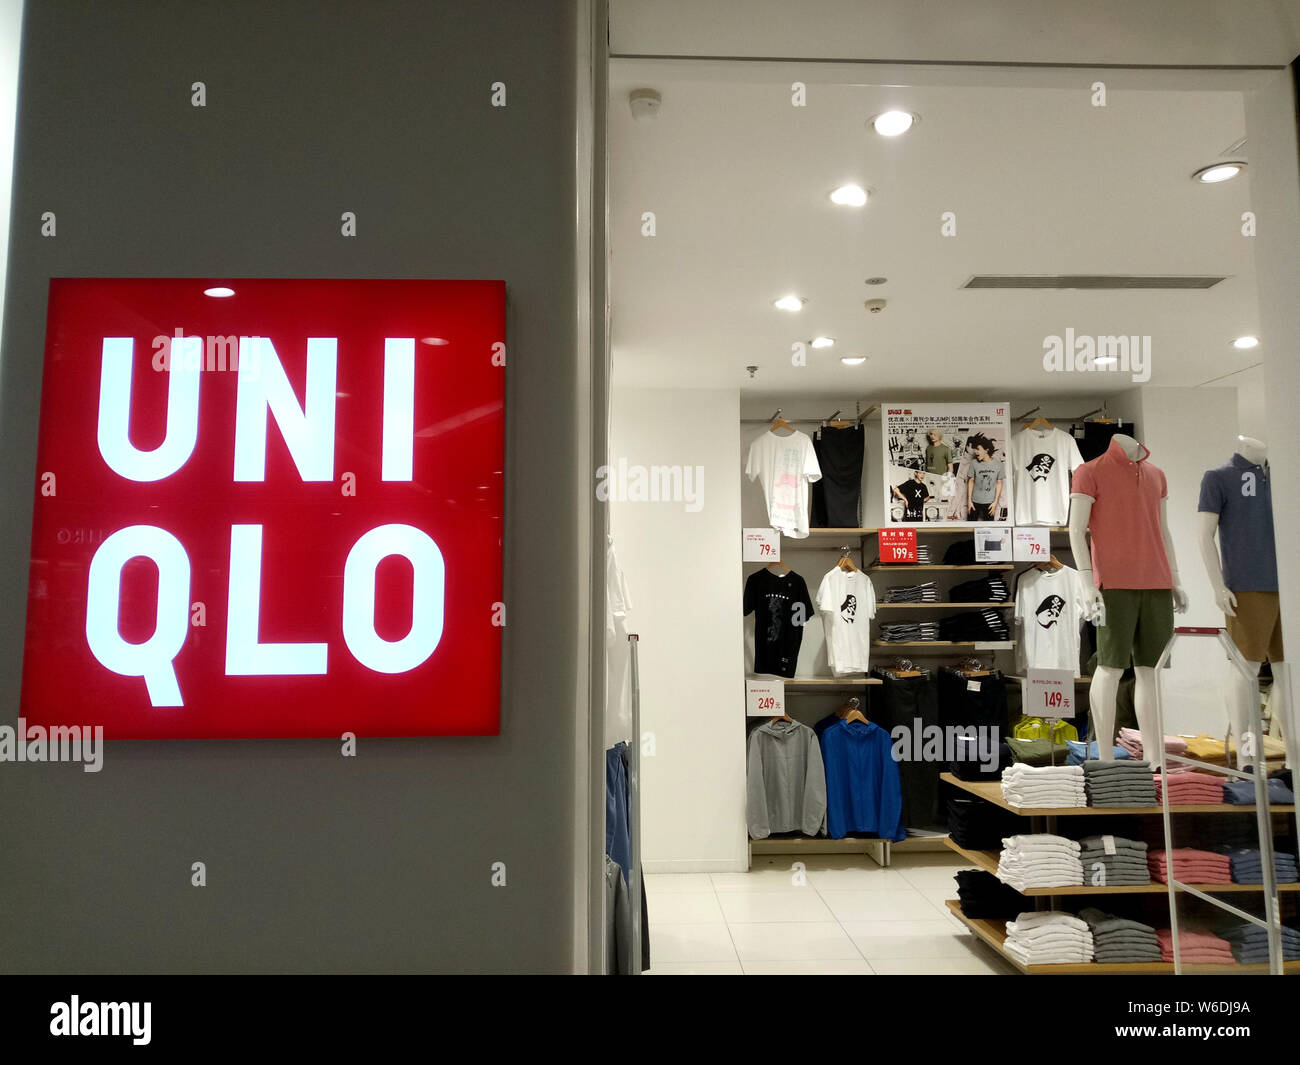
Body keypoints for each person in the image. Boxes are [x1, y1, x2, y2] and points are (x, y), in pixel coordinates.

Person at [965, 433, 1005, 521]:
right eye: (975, 449)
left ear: (986, 450)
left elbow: (999, 483)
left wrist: (995, 502)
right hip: (974, 502)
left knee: (989, 528)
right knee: (971, 525)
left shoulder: (999, 465)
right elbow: (971, 481)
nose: (976, 452)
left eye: (978, 449)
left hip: (990, 503)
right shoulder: (974, 463)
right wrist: (969, 501)